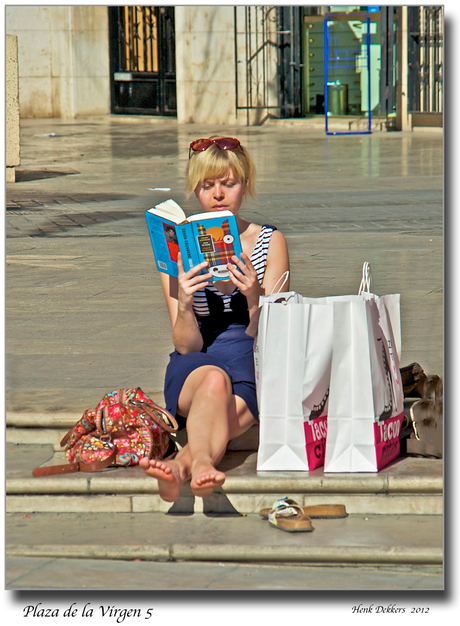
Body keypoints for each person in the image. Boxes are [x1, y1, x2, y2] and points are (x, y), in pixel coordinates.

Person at [140, 136, 290, 501]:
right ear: (196, 189)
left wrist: (255, 297)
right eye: (208, 186)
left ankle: (183, 464)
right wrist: (187, 303)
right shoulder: (179, 247)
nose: (218, 194)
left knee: (221, 393)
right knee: (213, 380)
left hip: (250, 361)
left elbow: (273, 336)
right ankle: (204, 465)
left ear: (246, 184)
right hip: (196, 364)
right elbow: (185, 344)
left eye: (229, 183)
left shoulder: (271, 242)